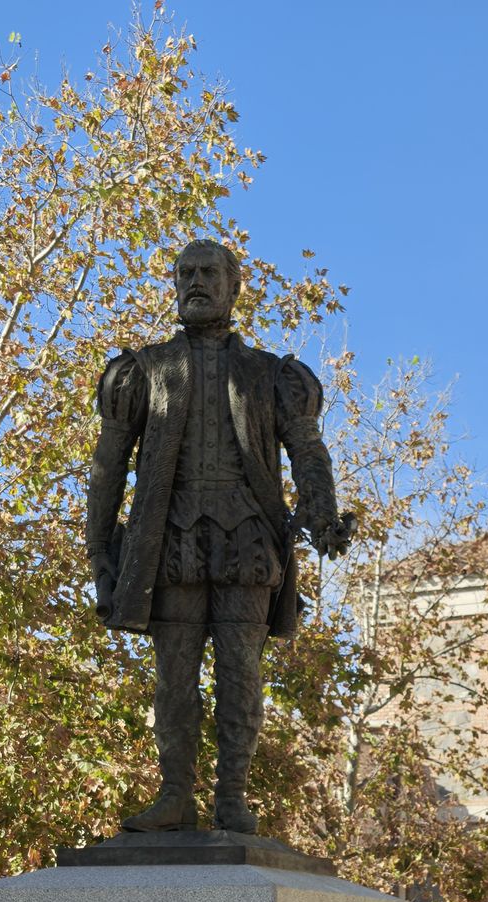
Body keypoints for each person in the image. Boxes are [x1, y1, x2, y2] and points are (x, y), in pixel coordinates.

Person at [85, 237, 352, 837]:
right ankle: (175, 795)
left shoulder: (270, 375)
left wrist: (323, 512)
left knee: (241, 675)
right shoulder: (142, 372)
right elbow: (107, 466)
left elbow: (309, 452)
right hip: (169, 545)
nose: (195, 282)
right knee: (173, 679)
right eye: (185, 273)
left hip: (247, 546)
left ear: (235, 287)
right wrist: (100, 553)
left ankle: (232, 797)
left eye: (209, 273)